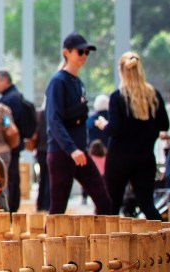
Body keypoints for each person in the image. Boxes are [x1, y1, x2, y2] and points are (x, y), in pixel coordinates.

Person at [44, 33, 112, 214]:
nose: (84, 56)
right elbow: (54, 120)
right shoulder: (58, 81)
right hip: (62, 152)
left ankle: (98, 232)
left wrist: (79, 148)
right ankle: (50, 235)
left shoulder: (78, 83)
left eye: (87, 52)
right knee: (58, 209)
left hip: (80, 152)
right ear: (66, 53)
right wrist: (71, 149)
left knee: (103, 200)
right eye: (80, 52)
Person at [101, 51, 169, 220]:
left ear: (121, 71)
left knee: (112, 205)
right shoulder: (154, 96)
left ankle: (110, 238)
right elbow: (164, 125)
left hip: (119, 158)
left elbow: (115, 129)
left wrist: (103, 125)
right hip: (145, 157)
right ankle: (162, 235)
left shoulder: (118, 97)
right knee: (147, 205)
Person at [0, 69, 36, 212]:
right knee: (13, 175)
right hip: (17, 142)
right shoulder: (16, 96)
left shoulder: (9, 100)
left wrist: (6, 131)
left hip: (10, 143)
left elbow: (7, 122)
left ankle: (10, 208)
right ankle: (12, 207)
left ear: (5, 80)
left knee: (9, 176)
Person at [35, 105, 51, 212]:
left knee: (42, 177)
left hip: (40, 149)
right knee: (49, 178)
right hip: (50, 149)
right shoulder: (54, 113)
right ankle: (47, 203)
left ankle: (40, 203)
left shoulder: (40, 114)